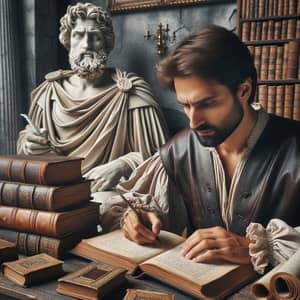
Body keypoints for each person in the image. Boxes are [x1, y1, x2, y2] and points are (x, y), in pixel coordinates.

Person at [107, 25, 300, 274]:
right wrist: (134, 219)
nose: (193, 121)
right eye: (185, 105)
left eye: (207, 104)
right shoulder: (178, 150)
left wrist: (258, 246)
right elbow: (123, 205)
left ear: (244, 90)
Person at [17, 3, 168, 195]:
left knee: (106, 207)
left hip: (106, 191)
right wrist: (29, 143)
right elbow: (26, 146)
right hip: (55, 189)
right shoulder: (47, 94)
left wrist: (123, 164)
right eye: (78, 35)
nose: (86, 44)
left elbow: (161, 159)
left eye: (94, 37)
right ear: (68, 41)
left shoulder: (131, 94)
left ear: (106, 43)